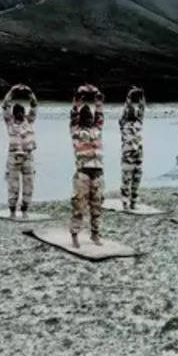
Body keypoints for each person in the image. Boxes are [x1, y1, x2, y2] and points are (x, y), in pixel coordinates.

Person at [69, 84, 105, 247]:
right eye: (85, 116)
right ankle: (75, 234)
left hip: (98, 173)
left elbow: (100, 113)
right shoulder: (76, 131)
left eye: (90, 116)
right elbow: (73, 114)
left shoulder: (97, 130)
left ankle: (95, 234)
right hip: (83, 173)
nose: (89, 118)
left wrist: (97, 96)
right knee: (79, 205)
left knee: (97, 205)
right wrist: (78, 97)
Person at [2, 84, 39, 218]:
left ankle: (25, 209)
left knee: (29, 184)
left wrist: (30, 93)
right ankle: (12, 210)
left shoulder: (28, 121)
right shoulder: (10, 122)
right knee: (13, 185)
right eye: (17, 112)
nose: (19, 114)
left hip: (28, 156)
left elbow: (34, 105)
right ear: (14, 113)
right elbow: (5, 105)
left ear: (24, 112)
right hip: (14, 157)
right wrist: (12, 91)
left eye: (21, 112)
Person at [119, 86, 146, 210]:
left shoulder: (139, 121)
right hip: (128, 152)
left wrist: (141, 95)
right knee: (127, 177)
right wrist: (130, 95)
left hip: (138, 151)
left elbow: (142, 107)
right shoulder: (124, 122)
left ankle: (133, 201)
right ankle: (125, 202)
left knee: (137, 175)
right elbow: (125, 111)